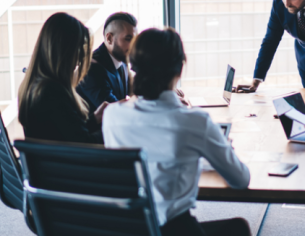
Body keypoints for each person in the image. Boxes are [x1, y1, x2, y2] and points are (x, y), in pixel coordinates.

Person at [103, 28, 251, 236]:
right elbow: (241, 179)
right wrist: (222, 149)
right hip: (174, 229)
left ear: (134, 66)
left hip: (129, 228)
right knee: (238, 229)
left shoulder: (112, 116)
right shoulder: (194, 121)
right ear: (179, 70)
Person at [18, 12, 106, 144]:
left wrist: (95, 119)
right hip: (64, 163)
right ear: (64, 51)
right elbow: (83, 144)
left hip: (50, 161)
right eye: (78, 49)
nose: (80, 58)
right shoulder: (52, 92)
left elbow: (68, 132)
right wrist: (114, 129)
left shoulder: (36, 85)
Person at [76, 12, 137, 131]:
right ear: (109, 38)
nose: (134, 46)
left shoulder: (121, 58)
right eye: (128, 39)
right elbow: (116, 111)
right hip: (94, 142)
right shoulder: (91, 69)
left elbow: (134, 91)